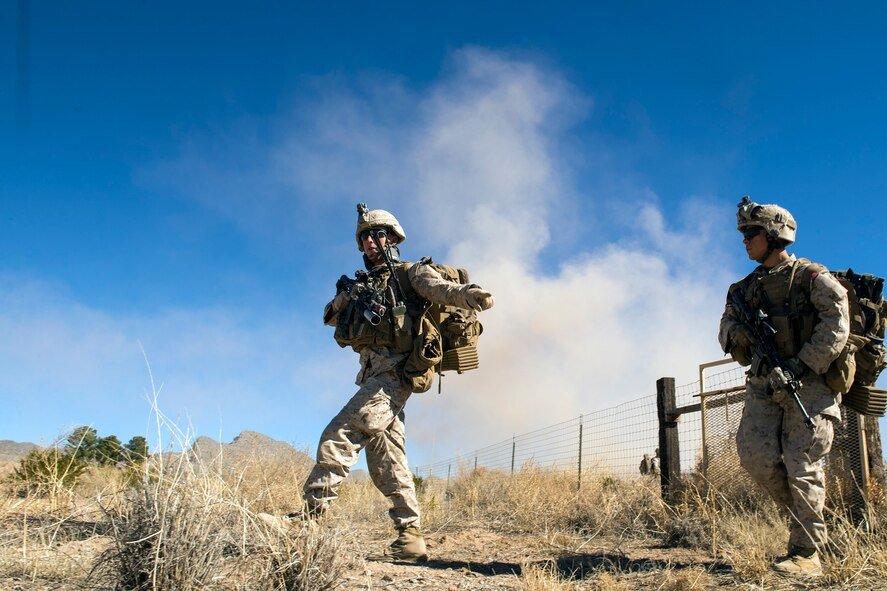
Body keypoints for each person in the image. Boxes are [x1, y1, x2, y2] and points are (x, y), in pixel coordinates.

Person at [294, 206, 494, 563]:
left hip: (396, 376)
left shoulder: (410, 273)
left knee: (341, 432)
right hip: (372, 377)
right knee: (387, 457)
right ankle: (410, 537)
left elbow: (441, 289)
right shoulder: (359, 285)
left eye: (379, 234)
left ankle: (308, 519)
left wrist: (471, 294)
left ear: (394, 238)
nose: (372, 241)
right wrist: (348, 296)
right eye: (366, 236)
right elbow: (330, 317)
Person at [719, 197, 849, 577]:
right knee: (754, 457)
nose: (745, 240)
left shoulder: (812, 277)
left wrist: (799, 364)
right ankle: (810, 527)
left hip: (809, 384)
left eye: (751, 233)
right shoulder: (743, 290)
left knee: (802, 462)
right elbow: (724, 327)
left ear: (775, 235)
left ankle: (807, 552)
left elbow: (836, 324)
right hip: (763, 383)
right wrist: (738, 333)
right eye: (743, 233)